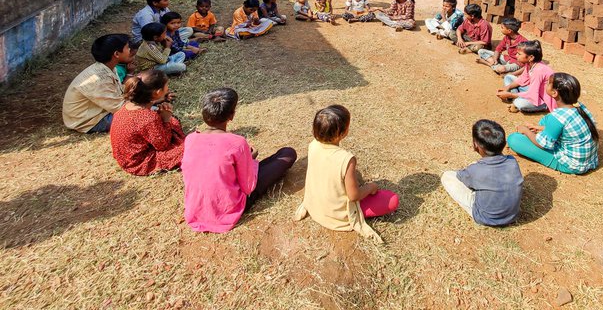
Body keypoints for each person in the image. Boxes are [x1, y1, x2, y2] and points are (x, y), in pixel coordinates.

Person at [182, 88, 297, 233]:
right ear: (232, 115)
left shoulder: (190, 139)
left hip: (196, 209)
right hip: (227, 209)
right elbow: (248, 187)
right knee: (288, 153)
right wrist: (250, 159)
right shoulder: (237, 143)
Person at [294, 105, 399, 242]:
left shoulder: (313, 145)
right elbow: (354, 196)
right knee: (392, 200)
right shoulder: (346, 159)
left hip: (314, 204)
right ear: (342, 133)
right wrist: (371, 187)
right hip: (336, 216)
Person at [507, 73, 599, 174]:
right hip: (589, 160)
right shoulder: (578, 105)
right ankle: (545, 132)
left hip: (572, 165)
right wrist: (542, 128)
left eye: (548, 83)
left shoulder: (557, 117)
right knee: (546, 120)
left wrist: (526, 131)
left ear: (554, 93)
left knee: (514, 139)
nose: (546, 84)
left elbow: (542, 145)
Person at [441, 120, 523, 226]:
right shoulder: (512, 161)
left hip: (485, 217)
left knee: (447, 176)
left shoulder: (476, 170)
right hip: (512, 216)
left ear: (475, 145)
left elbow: (461, 177)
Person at [110, 69, 185, 176]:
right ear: (157, 93)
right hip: (139, 163)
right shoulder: (149, 118)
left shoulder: (126, 107)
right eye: (167, 86)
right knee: (189, 148)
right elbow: (163, 145)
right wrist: (166, 119)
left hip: (125, 158)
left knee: (174, 122)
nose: (168, 88)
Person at [62, 34, 133, 133]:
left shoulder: (108, 67)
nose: (130, 50)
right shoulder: (99, 78)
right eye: (127, 47)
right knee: (142, 117)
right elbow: (120, 108)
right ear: (116, 54)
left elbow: (119, 92)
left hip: (102, 111)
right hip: (90, 121)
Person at [497, 41, 556, 113]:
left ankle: (543, 106)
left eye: (519, 54)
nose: (516, 56)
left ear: (531, 57)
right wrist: (507, 88)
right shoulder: (529, 64)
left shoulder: (539, 70)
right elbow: (522, 80)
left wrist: (510, 94)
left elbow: (532, 94)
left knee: (520, 103)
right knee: (508, 77)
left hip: (542, 99)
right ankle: (514, 99)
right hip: (533, 90)